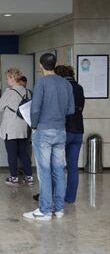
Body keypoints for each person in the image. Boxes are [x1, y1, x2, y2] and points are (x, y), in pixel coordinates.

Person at [23, 53, 74, 221]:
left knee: (44, 171)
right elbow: (70, 110)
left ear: (40, 65)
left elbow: (35, 108)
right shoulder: (66, 83)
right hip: (61, 131)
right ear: (55, 64)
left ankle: (45, 210)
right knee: (59, 170)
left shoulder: (42, 82)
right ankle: (59, 209)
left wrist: (34, 125)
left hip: (44, 131)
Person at [34, 66, 85, 204]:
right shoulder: (79, 88)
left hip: (63, 129)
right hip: (78, 131)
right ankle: (70, 197)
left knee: (54, 165)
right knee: (72, 166)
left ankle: (48, 196)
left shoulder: (62, 87)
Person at [0, 68, 33, 186]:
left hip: (10, 127)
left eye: (8, 78)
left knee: (11, 153)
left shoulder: (9, 92)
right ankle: (29, 177)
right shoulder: (28, 92)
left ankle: (14, 177)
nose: (7, 80)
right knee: (23, 152)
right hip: (23, 127)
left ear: (13, 78)